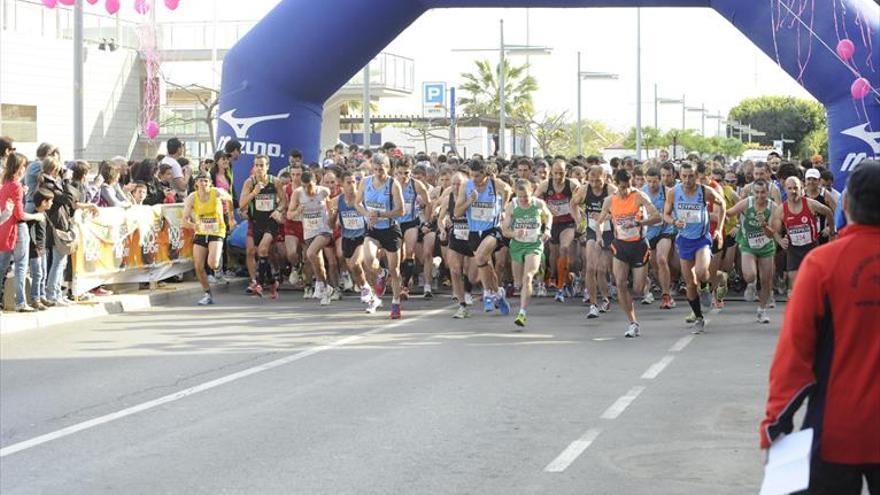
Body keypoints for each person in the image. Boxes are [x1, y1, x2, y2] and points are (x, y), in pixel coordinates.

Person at [760, 161, 880, 494]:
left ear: (845, 205)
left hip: (837, 431)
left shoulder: (822, 264)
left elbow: (793, 358)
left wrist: (774, 425)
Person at [596, 169, 661, 338]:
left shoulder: (639, 196)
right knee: (620, 283)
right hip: (620, 246)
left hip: (639, 245)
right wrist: (599, 235)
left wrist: (639, 222)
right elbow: (600, 221)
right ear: (616, 184)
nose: (625, 191)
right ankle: (633, 322)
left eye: (628, 186)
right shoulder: (610, 200)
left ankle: (643, 283)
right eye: (622, 187)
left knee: (638, 289)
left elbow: (657, 217)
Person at [664, 162, 727, 334]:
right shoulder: (673, 192)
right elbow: (666, 214)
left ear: (696, 176)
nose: (687, 179)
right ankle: (699, 318)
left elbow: (722, 204)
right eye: (684, 176)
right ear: (680, 176)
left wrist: (719, 230)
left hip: (701, 239)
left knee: (700, 271)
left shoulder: (704, 191)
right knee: (690, 284)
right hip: (684, 240)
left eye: (690, 176)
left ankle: (705, 286)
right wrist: (674, 222)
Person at [455, 159, 513, 316]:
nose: (475, 179)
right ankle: (498, 293)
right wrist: (469, 201)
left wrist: (502, 208)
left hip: (492, 229)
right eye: (472, 175)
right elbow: (457, 212)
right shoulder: (466, 187)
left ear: (486, 174)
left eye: (478, 176)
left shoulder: (494, 184)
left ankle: (488, 293)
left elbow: (508, 190)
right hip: (474, 232)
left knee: (480, 257)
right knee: (487, 266)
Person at [355, 154, 406, 319]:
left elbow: (401, 210)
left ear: (388, 168)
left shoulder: (393, 184)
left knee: (395, 270)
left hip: (390, 229)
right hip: (373, 229)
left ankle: (396, 303)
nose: (378, 173)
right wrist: (367, 215)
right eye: (375, 169)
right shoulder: (365, 182)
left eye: (381, 170)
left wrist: (381, 214)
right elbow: (357, 203)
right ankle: (381, 274)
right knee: (368, 259)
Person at [501, 179, 552, 328]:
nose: (524, 200)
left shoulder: (538, 204)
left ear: (532, 192)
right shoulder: (512, 206)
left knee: (527, 277)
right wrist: (515, 232)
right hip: (517, 245)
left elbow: (548, 216)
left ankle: (522, 313)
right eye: (520, 196)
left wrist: (547, 230)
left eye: (527, 196)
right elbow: (505, 230)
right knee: (518, 283)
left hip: (534, 244)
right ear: (516, 194)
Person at [0, 153, 46, 312]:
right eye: (24, 166)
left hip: (5, 227)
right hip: (18, 228)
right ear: (19, 168)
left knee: (2, 266)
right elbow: (20, 215)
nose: (25, 169)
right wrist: (37, 216)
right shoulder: (16, 186)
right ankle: (20, 302)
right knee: (21, 265)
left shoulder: (5, 183)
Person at [770, 177, 834, 290]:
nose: (793, 191)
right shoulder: (781, 209)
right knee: (794, 283)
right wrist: (780, 240)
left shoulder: (810, 204)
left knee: (812, 281)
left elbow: (828, 212)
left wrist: (831, 232)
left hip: (811, 247)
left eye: (796, 188)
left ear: (802, 188)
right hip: (793, 249)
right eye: (789, 188)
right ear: (784, 189)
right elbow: (774, 229)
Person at [726, 179, 776, 323]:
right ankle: (751, 285)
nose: (760, 196)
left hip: (766, 246)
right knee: (750, 275)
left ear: (768, 192)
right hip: (748, 244)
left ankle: (762, 310)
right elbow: (729, 213)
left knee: (766, 280)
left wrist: (764, 225)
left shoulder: (773, 207)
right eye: (757, 192)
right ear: (753, 193)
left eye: (763, 192)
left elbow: (771, 233)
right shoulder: (746, 203)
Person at [571, 165, 616, 318]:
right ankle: (593, 304)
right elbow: (573, 203)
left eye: (598, 181)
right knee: (590, 267)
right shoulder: (584, 189)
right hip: (591, 229)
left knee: (603, 270)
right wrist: (579, 220)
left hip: (609, 232)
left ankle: (605, 298)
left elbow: (620, 211)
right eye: (591, 181)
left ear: (605, 179)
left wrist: (606, 217)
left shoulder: (611, 191)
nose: (595, 185)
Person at [182, 171, 233, 305]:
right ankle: (207, 294)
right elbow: (184, 221)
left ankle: (217, 255)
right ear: (196, 183)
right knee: (198, 266)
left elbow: (230, 199)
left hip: (217, 231)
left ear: (210, 183)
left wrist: (231, 218)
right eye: (201, 181)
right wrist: (194, 225)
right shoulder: (192, 198)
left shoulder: (216, 192)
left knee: (213, 264)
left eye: (206, 181)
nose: (203, 183)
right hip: (201, 232)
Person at [239, 155, 285, 297]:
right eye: (257, 165)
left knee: (263, 248)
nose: (259, 168)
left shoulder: (275, 182)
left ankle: (258, 283)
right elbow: (241, 204)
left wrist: (278, 210)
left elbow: (284, 201)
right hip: (256, 221)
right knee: (258, 252)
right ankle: (272, 282)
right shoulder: (250, 182)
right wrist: (254, 193)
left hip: (271, 220)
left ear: (267, 167)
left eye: (262, 165)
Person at [288, 170, 335, 305]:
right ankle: (326, 288)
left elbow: (331, 208)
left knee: (310, 253)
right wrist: (298, 211)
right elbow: (289, 214)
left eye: (309, 186)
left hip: (324, 230)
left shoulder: (324, 191)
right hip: (309, 232)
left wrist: (332, 218)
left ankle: (321, 285)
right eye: (303, 186)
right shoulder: (298, 193)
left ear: (316, 182)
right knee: (317, 262)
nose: (306, 189)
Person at [536, 159, 577, 303]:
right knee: (553, 258)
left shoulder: (572, 185)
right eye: (555, 173)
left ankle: (560, 288)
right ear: (551, 172)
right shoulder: (545, 185)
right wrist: (546, 208)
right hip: (552, 223)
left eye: (561, 173)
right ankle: (567, 279)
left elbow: (582, 201)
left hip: (568, 223)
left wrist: (576, 212)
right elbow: (534, 202)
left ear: (566, 172)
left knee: (564, 249)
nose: (559, 177)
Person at [335, 171, 375, 310]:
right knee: (355, 269)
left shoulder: (363, 198)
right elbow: (331, 224)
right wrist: (333, 214)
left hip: (363, 237)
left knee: (356, 263)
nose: (352, 185)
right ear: (342, 185)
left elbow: (372, 212)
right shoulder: (338, 200)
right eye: (348, 182)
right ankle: (367, 290)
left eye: (354, 182)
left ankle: (371, 294)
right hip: (347, 238)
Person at [643, 167, 677, 309]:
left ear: (660, 180)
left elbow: (673, 211)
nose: (652, 184)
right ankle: (663, 286)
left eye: (655, 181)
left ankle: (666, 295)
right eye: (649, 181)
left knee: (662, 259)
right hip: (649, 232)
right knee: (655, 265)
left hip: (665, 230)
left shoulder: (667, 192)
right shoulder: (642, 192)